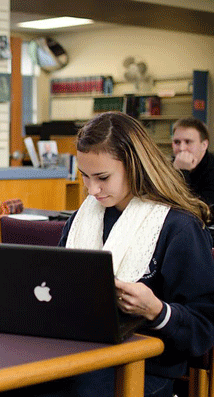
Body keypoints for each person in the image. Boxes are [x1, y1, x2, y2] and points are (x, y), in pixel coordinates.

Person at [21, 111, 214, 397]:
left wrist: (157, 310)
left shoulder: (179, 227)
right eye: (84, 177)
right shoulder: (83, 218)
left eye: (102, 177)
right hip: (79, 355)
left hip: (143, 369)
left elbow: (203, 328)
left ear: (135, 166)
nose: (92, 190)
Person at [171, 117, 214, 212]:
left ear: (204, 145)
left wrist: (181, 172)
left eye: (188, 142)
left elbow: (200, 211)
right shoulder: (168, 166)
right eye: (177, 142)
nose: (182, 148)